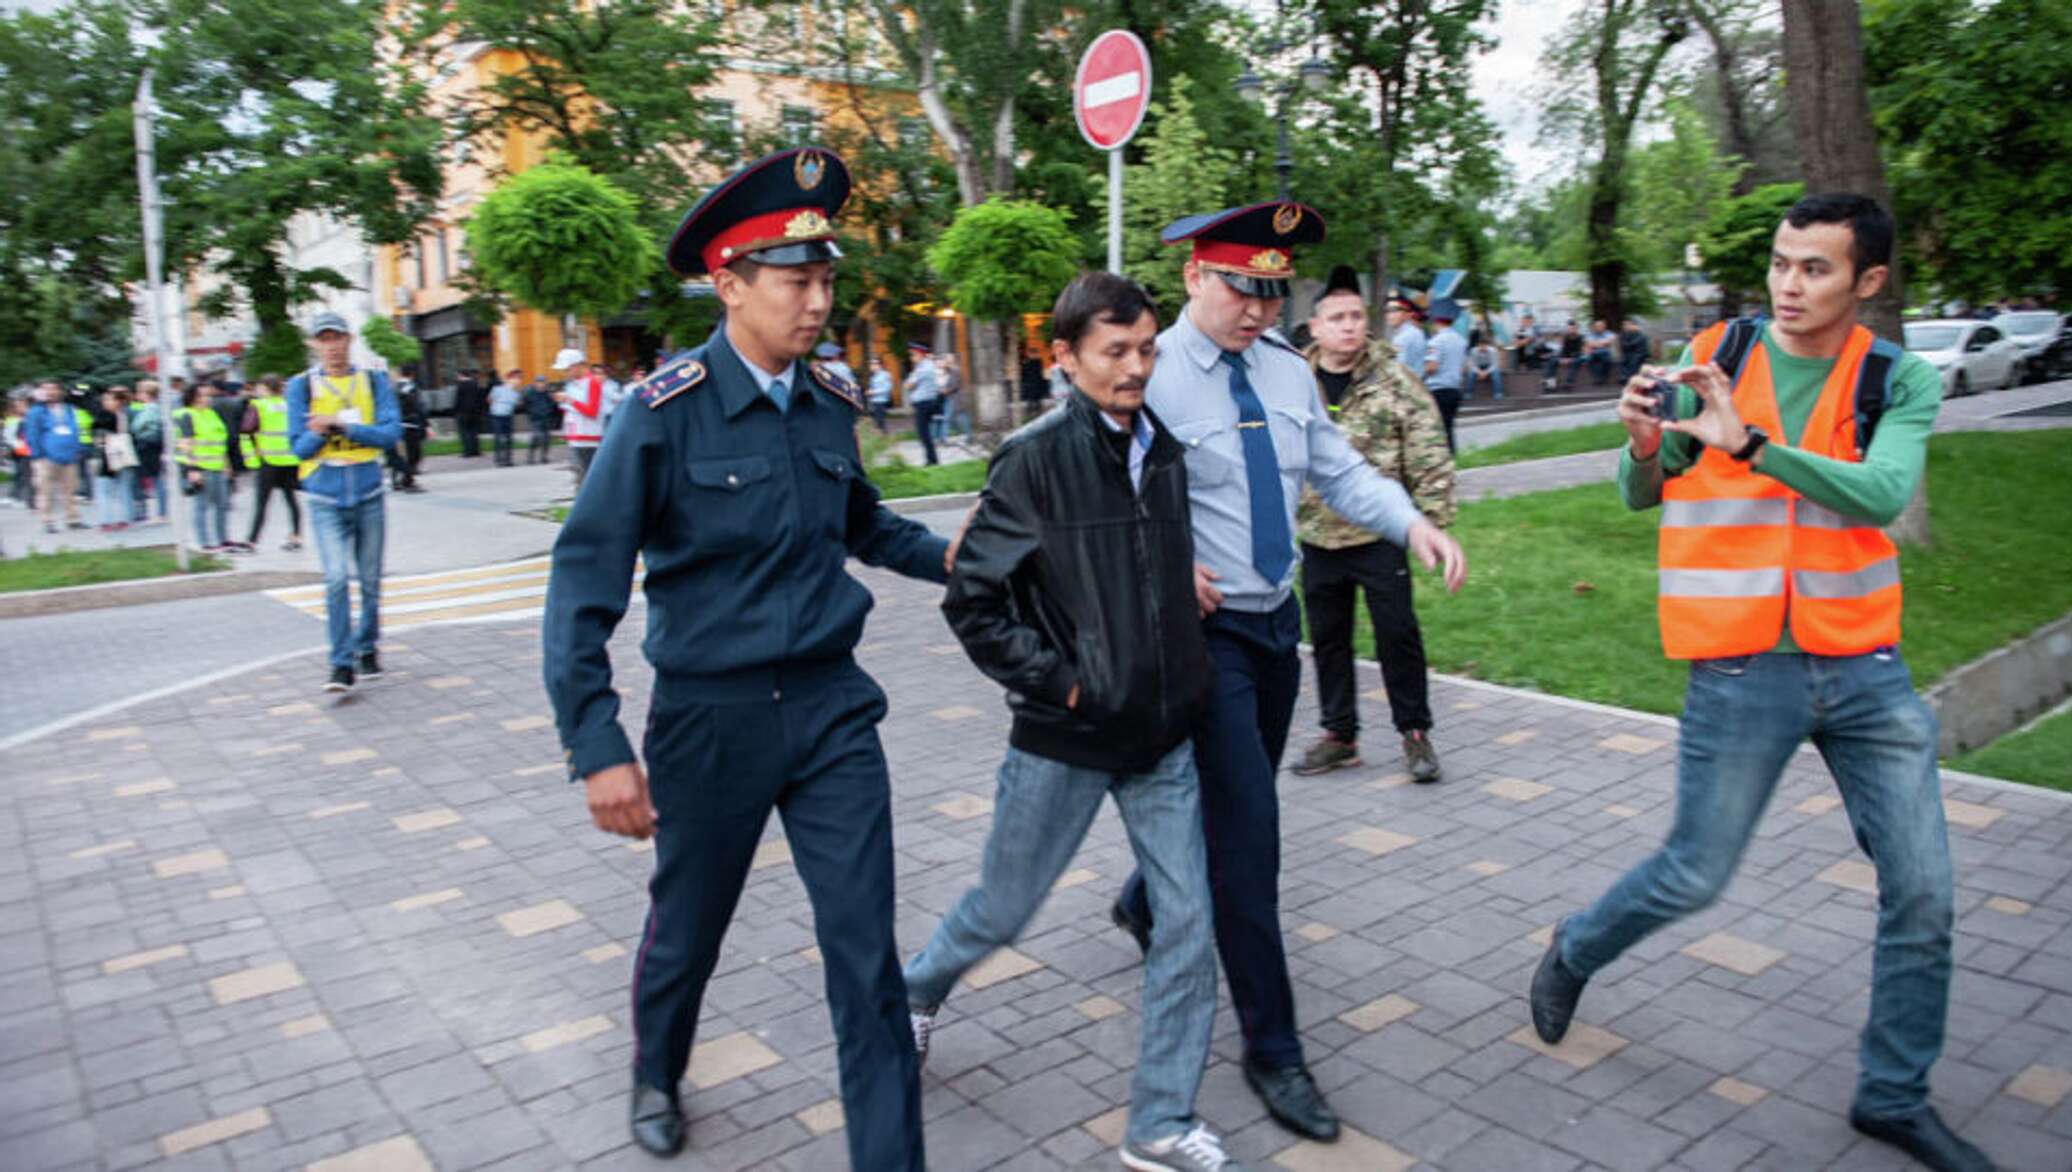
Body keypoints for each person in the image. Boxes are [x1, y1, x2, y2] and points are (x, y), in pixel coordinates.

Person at [1529, 194, 1993, 1172]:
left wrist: (1748, 442)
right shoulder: (1715, 352)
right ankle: (1575, 946)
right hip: (1739, 665)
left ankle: (1891, 1092)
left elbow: (1877, 492)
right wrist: (1645, 444)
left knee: (1923, 891)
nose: (1788, 285)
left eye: (1814, 268)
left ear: (1866, 280)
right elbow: (1635, 491)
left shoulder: (1894, 377)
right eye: (1781, 263)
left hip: (1862, 668)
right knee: (1694, 870)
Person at [542, 147, 950, 1169]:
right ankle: (655, 1064)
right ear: (727, 283)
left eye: (825, 279)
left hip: (829, 714)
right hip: (709, 718)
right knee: (689, 927)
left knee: (864, 957)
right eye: (794, 280)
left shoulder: (823, 403)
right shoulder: (659, 414)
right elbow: (580, 588)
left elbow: (864, 523)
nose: (818, 300)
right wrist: (596, 744)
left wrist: (969, 557)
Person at [1111, 202, 1468, 1144]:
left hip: (1278, 629)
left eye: (1275, 289)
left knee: (1237, 797)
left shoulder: (1282, 373)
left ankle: (1145, 896)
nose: (1262, 309)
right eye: (1243, 286)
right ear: (1195, 277)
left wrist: (1412, 523)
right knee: (1252, 845)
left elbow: (1340, 474)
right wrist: (1158, 556)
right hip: (1208, 634)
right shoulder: (1149, 372)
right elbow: (1102, 487)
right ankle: (1272, 1049)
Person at [905, 272, 1241, 1172]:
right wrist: (1068, 686)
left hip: (1162, 735)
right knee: (1002, 910)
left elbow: (1150, 570)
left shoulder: (1159, 448)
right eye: (1115, 353)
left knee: (1187, 923)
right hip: (1068, 736)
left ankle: (1159, 1123)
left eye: (1146, 350)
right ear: (1064, 359)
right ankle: (913, 992)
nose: (1136, 369)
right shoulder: (1033, 459)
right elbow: (972, 603)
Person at [1293, 265, 1455, 785]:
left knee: (1397, 635)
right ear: (1315, 326)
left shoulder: (1394, 380)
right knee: (1328, 638)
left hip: (1379, 535)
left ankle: (1414, 733)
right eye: (1336, 317)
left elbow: (1429, 449)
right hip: (1317, 533)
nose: (1348, 326)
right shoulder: (1293, 380)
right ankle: (1340, 735)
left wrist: (1430, 523)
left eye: (1357, 316)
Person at [286, 311, 401, 693]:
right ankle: (340, 663)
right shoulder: (300, 387)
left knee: (369, 579)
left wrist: (339, 426)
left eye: (337, 337)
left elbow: (389, 434)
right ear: (314, 344)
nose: (332, 345)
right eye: (324, 338)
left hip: (368, 490)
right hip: (324, 494)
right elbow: (298, 448)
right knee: (336, 578)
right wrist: (318, 435)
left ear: (349, 339)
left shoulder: (373, 381)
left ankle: (366, 645)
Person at [244, 374, 303, 550]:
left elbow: (246, 430)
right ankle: (296, 537)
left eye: (259, 387)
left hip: (268, 460)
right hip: (290, 459)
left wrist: (251, 459)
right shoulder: (289, 405)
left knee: (262, 502)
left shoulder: (259, 406)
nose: (257, 390)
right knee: (291, 499)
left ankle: (252, 540)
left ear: (265, 388)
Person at [24, 380, 89, 533]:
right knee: (45, 491)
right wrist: (37, 455)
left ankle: (73, 519)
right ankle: (47, 522)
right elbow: (32, 434)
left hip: (68, 456)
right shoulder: (36, 411)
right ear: (40, 392)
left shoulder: (68, 409)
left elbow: (75, 429)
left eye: (53, 388)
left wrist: (77, 448)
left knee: (70, 490)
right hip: (45, 458)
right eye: (46, 389)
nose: (50, 392)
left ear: (59, 391)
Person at [175, 381, 232, 553]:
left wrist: (226, 463)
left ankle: (222, 539)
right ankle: (204, 542)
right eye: (202, 395)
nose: (207, 398)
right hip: (200, 467)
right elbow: (186, 444)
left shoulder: (211, 414)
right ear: (192, 397)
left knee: (222, 504)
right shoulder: (187, 415)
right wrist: (191, 469)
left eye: (208, 395)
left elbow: (220, 441)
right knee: (202, 506)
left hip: (217, 465)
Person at [555, 349, 604, 487]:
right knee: (579, 478)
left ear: (578, 365)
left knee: (588, 479)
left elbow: (592, 411)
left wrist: (570, 401)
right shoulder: (571, 384)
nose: (566, 373)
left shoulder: (592, 383)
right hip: (575, 437)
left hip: (589, 438)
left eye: (567, 369)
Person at [1422, 300, 1468, 451]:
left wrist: (1420, 375)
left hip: (1438, 390)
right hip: (1454, 389)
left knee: (1436, 430)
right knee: (1448, 427)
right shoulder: (1461, 341)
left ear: (1435, 320)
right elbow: (1463, 367)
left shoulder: (1436, 342)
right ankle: (1451, 459)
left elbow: (1431, 367)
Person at [91, 387, 136, 533]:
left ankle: (106, 521)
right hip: (125, 455)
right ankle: (125, 519)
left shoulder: (104, 416)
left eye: (108, 399)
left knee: (104, 490)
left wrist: (99, 442)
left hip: (107, 457)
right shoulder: (127, 415)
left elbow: (98, 437)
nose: (105, 402)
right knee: (124, 488)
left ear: (117, 401)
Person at [130, 381, 167, 523]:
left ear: (147, 394)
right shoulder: (158, 407)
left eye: (140, 392)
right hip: (155, 445)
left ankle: (160, 513)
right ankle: (162, 512)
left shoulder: (148, 409)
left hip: (147, 445)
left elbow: (136, 426)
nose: (138, 395)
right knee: (157, 478)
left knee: (154, 479)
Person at [389, 364, 428, 493]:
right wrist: (426, 424)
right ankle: (408, 480)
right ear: (412, 374)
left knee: (399, 454)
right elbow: (418, 407)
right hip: (411, 423)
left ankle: (396, 480)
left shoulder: (393, 388)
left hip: (397, 423)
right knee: (413, 454)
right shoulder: (411, 387)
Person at [903, 344, 942, 465]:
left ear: (920, 354)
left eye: (912, 355)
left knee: (923, 433)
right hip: (927, 402)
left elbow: (908, 385)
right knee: (926, 433)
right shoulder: (927, 366)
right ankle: (932, 458)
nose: (911, 357)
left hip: (923, 404)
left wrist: (910, 382)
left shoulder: (923, 368)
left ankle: (932, 460)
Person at [1386, 294, 1427, 385]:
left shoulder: (1403, 337)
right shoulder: (1417, 332)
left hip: (1407, 388)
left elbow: (1398, 370)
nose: (1390, 315)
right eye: (1387, 311)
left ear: (1406, 314)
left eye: (1395, 311)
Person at [488, 370, 521, 466]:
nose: (518, 381)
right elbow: (489, 399)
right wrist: (497, 408)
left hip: (508, 416)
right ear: (509, 379)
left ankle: (508, 459)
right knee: (498, 438)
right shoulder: (498, 389)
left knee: (509, 438)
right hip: (497, 416)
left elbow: (516, 404)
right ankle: (498, 459)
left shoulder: (516, 393)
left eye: (519, 378)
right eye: (516, 378)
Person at [522, 376, 557, 464]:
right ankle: (530, 456)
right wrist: (531, 413)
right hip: (535, 419)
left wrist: (549, 411)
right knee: (536, 437)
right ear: (535, 383)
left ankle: (543, 456)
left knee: (546, 438)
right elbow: (526, 405)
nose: (541, 384)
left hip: (546, 418)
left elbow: (553, 404)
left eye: (542, 382)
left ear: (545, 383)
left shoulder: (548, 394)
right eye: (539, 382)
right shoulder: (530, 393)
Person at [453, 367, 486, 458]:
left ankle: (467, 452)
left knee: (464, 432)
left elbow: (458, 400)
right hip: (475, 412)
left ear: (460, 375)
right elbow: (480, 398)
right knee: (474, 432)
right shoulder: (475, 383)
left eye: (457, 375)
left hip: (463, 412)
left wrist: (455, 410)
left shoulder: (460, 385)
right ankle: (476, 451)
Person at [1467, 330, 1504, 402]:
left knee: (1496, 373)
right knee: (1471, 374)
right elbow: (1472, 364)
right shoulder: (1473, 351)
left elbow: (1495, 364)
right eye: (1480, 345)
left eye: (1484, 345)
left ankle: (1498, 393)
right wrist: (1479, 372)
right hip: (1478, 366)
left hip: (1489, 366)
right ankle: (1469, 393)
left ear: (1487, 345)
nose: (1482, 347)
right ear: (1478, 345)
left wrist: (1486, 372)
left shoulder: (1493, 351)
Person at [1582, 317, 1617, 386]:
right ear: (1594, 327)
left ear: (1604, 326)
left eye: (1601, 326)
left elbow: (1610, 340)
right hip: (1594, 353)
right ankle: (1596, 378)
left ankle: (1603, 377)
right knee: (1589, 359)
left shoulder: (1609, 333)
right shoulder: (1590, 334)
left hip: (1605, 352)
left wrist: (1596, 344)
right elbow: (1588, 343)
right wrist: (1601, 344)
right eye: (1597, 326)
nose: (1599, 327)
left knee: (1606, 359)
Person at [1554, 320, 1585, 390]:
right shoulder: (1566, 337)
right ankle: (1549, 382)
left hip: (1578, 357)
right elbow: (1564, 350)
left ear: (1577, 329)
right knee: (1552, 360)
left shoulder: (1580, 337)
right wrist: (1563, 357)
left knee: (1575, 361)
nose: (1572, 330)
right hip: (1567, 357)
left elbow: (1579, 351)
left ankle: (1568, 382)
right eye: (1570, 328)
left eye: (1574, 328)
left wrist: (1569, 358)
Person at [865, 355, 893, 434]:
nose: (872, 366)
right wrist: (869, 392)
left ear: (880, 365)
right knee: (877, 421)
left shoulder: (885, 375)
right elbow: (873, 387)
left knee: (880, 421)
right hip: (874, 400)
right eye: (871, 364)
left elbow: (887, 388)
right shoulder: (873, 377)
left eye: (874, 364)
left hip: (881, 400)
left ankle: (884, 436)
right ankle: (882, 436)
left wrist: (873, 392)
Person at [1618, 316, 1650, 381]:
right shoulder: (1624, 335)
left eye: (1628, 325)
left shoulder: (1640, 334)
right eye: (1624, 325)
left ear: (1633, 325)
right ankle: (1624, 376)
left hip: (1639, 353)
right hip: (1628, 352)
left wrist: (1629, 345)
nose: (1626, 326)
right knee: (1624, 359)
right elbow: (1624, 345)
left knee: (1634, 360)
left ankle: (1631, 377)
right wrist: (1628, 345)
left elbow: (1634, 344)